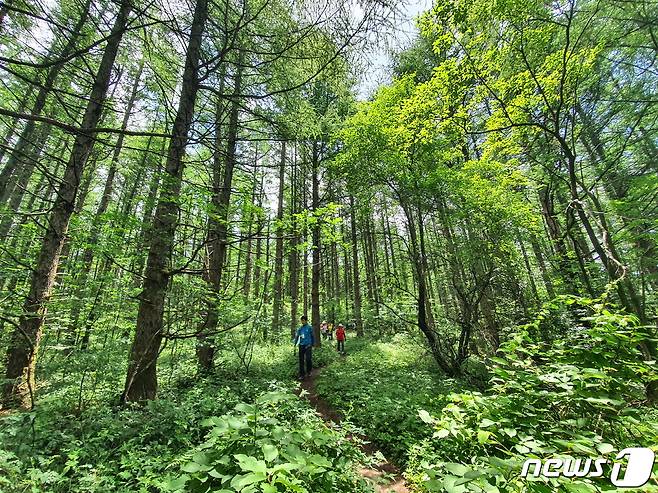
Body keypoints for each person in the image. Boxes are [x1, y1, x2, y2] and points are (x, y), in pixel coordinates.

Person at [294, 315, 314, 380]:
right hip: (301, 345)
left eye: (303, 320)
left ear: (306, 320)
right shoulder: (300, 328)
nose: (302, 322)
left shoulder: (310, 328)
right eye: (301, 320)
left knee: (308, 359)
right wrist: (295, 344)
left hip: (308, 345)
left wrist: (312, 344)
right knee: (301, 360)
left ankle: (309, 371)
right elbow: (297, 336)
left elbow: (312, 336)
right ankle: (302, 374)